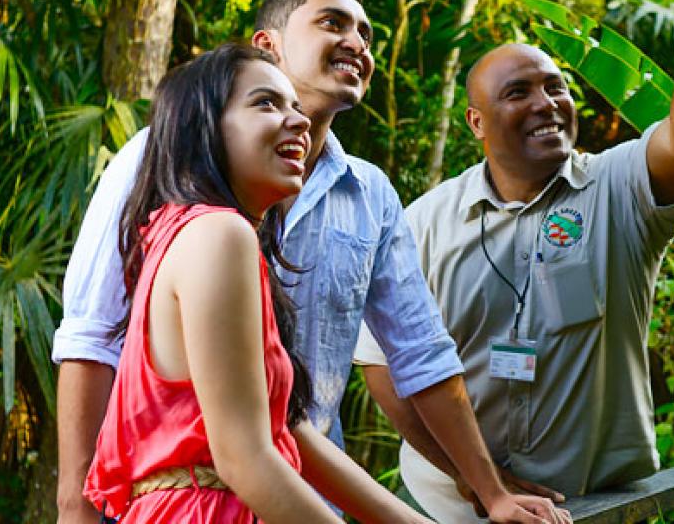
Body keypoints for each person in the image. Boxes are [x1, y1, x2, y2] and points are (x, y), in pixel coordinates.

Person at [54, 0, 565, 523]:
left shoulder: (363, 195)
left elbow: (412, 356)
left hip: (303, 497)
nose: (358, 44)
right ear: (266, 47)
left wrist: (490, 493)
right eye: (332, 23)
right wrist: (74, 509)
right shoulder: (175, 186)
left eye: (367, 34)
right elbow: (95, 337)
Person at [352, 0, 674, 522]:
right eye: (517, 93)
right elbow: (382, 369)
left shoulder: (620, 189)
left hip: (592, 505)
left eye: (557, 87)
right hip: (447, 506)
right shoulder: (425, 222)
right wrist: (479, 478)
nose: (546, 103)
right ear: (476, 121)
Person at [82, 43, 433, 522]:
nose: (299, 121)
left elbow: (287, 433)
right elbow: (246, 459)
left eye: (294, 105)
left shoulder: (186, 231)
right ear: (202, 128)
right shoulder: (218, 234)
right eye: (265, 103)